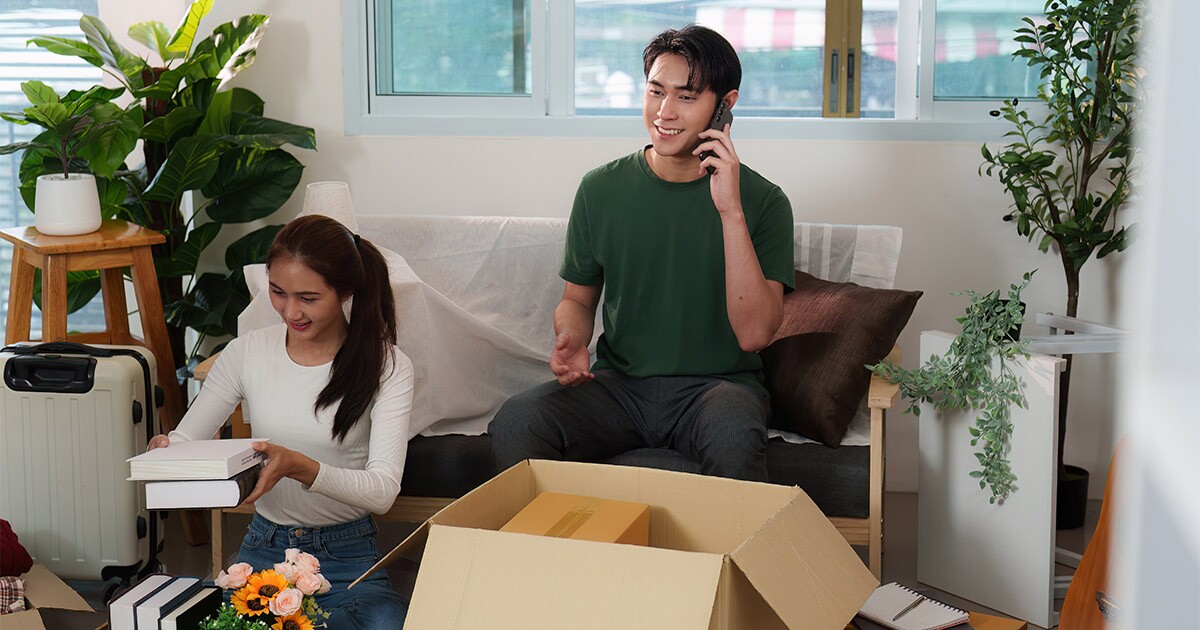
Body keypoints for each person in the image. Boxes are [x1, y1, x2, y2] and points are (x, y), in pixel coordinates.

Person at [489, 25, 794, 482]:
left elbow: (754, 334)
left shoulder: (764, 201)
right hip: (619, 388)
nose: (665, 112)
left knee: (733, 431)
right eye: (656, 92)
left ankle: (724, 558)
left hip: (718, 390)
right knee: (517, 419)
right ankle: (554, 553)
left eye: (687, 98)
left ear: (724, 107)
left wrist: (730, 210)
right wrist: (571, 337)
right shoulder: (601, 189)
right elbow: (577, 300)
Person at [147, 214, 412, 630]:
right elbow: (185, 438)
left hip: (349, 557)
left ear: (346, 291)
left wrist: (299, 466)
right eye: (278, 292)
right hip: (265, 548)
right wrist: (167, 451)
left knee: (384, 624)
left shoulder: (388, 365)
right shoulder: (246, 352)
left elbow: (382, 492)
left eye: (308, 297)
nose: (291, 311)